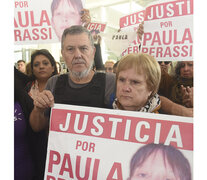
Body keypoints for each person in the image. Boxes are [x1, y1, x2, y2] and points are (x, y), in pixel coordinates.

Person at [29, 25, 116, 132]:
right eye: (70, 49)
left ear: (93, 52)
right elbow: (37, 127)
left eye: (83, 48)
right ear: (63, 54)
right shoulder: (54, 82)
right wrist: (38, 110)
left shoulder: (111, 82)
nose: (78, 55)